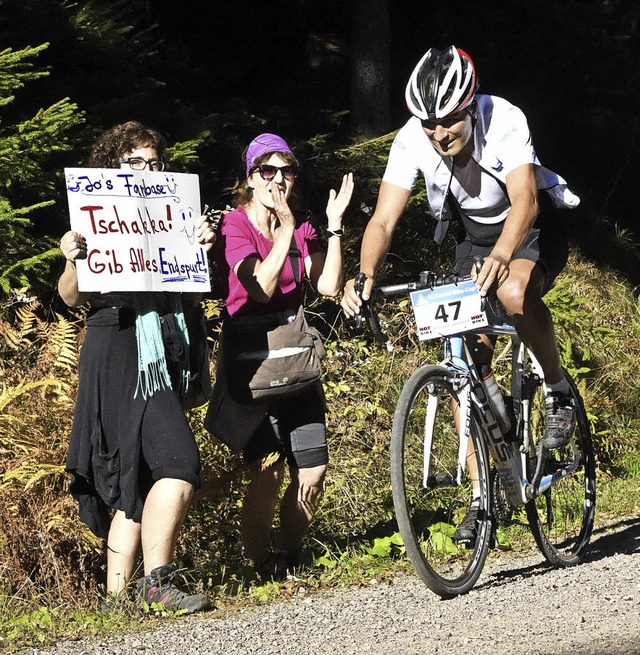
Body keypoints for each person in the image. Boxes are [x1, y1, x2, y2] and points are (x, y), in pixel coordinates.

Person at [340, 45, 580, 542]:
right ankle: (482, 496)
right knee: (464, 361)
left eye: (448, 121)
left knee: (514, 293)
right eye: (429, 125)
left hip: (531, 226)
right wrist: (363, 276)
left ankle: (556, 390)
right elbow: (384, 219)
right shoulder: (414, 138)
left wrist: (503, 256)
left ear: (470, 107)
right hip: (473, 239)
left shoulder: (505, 118)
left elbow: (525, 200)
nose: (438, 134)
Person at [58, 121, 216, 613]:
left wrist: (200, 250)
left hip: (159, 347)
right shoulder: (92, 220)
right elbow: (70, 298)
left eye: (153, 162)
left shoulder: (172, 217)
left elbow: (192, 292)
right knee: (179, 464)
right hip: (117, 347)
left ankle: (114, 599)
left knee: (138, 473)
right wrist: (72, 258)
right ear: (113, 167)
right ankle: (157, 582)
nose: (146, 170)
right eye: (135, 162)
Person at [209, 133, 353, 574]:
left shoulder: (303, 226)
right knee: (267, 470)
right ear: (250, 179)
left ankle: (289, 557)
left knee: (313, 469)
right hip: (253, 362)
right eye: (266, 171)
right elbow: (260, 286)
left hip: (296, 361)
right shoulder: (235, 225)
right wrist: (284, 230)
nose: (277, 180)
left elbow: (326, 286)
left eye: (286, 170)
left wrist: (331, 227)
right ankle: (257, 565)